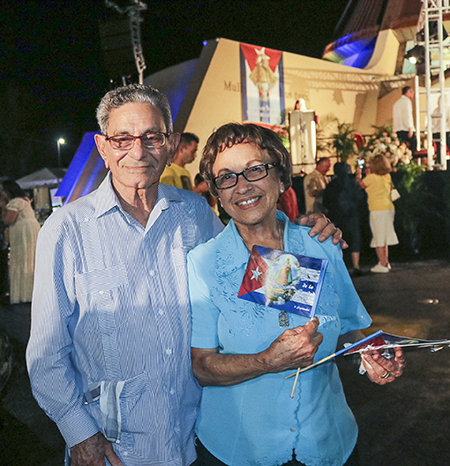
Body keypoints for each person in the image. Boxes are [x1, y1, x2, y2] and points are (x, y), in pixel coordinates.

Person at [26, 84, 344, 466]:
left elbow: (259, 277)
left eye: (152, 137)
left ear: (171, 143)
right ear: (103, 147)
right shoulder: (66, 230)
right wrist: (81, 435)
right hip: (114, 449)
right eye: (123, 138)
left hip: (196, 440)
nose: (138, 151)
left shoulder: (196, 215)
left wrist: (303, 234)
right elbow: (46, 355)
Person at [188, 123, 404, 466]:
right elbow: (201, 366)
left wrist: (369, 353)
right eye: (226, 177)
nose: (242, 186)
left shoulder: (321, 244)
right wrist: (266, 361)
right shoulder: (204, 264)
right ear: (216, 192)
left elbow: (347, 328)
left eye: (255, 170)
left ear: (281, 176)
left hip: (327, 444)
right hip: (240, 450)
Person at [356, 154, 399, 273]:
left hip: (377, 209)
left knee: (378, 236)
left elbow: (360, 185)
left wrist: (359, 174)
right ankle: (385, 262)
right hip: (389, 208)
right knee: (384, 236)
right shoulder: (387, 176)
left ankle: (382, 264)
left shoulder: (372, 178)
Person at [0, 180, 40, 303]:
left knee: (21, 260)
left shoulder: (15, 202)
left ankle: (23, 294)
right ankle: (31, 291)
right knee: (30, 259)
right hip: (30, 230)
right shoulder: (24, 200)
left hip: (22, 233)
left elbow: (8, 220)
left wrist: (2, 207)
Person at [323, 162, 365, 275]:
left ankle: (339, 267)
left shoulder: (332, 185)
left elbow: (326, 201)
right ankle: (356, 265)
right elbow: (360, 197)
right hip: (352, 215)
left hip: (337, 215)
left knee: (337, 240)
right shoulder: (351, 184)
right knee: (355, 239)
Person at [393, 86, 416, 156]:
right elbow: (407, 115)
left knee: (401, 149)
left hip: (398, 129)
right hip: (405, 128)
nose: (413, 94)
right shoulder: (407, 102)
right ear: (407, 92)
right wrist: (410, 128)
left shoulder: (396, 103)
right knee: (412, 147)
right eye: (411, 92)